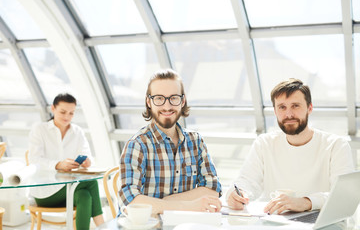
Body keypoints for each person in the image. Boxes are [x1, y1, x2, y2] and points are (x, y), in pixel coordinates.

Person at [227, 78, 354, 214]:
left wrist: (306, 202)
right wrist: (238, 194)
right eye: (282, 107)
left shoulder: (336, 145)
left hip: (319, 222)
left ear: (309, 108)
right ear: (275, 111)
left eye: (295, 106)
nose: (289, 114)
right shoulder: (264, 143)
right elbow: (247, 181)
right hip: (275, 221)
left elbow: (343, 196)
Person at [119, 69, 222, 214]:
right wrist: (188, 205)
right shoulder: (137, 145)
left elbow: (212, 190)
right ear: (149, 102)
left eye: (173, 98)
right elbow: (131, 202)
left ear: (183, 101)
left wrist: (163, 203)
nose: (167, 106)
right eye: (159, 98)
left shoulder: (196, 141)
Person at [28, 93, 104, 230]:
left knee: (85, 196)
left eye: (71, 113)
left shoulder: (77, 132)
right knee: (91, 182)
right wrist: (58, 164)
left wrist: (87, 162)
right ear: (53, 108)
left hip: (70, 190)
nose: (67, 117)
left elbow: (87, 155)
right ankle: (104, 226)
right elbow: (34, 160)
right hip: (45, 192)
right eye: (63, 112)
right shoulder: (40, 129)